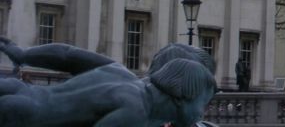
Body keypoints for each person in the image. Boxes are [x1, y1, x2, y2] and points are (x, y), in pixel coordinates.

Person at [0, 38, 217, 127]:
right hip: (21, 118)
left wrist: (23, 54)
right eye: (202, 102)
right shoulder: (137, 113)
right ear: (180, 96)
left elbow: (67, 54)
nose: (202, 112)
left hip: (21, 91)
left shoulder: (119, 72)